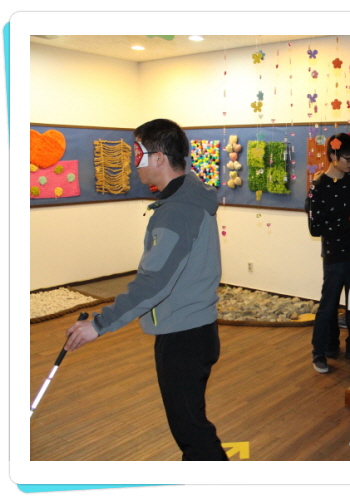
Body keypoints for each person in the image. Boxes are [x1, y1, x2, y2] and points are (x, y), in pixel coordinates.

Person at [64, 118, 229, 461]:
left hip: (184, 336)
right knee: (190, 427)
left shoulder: (177, 212)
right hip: (189, 329)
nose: (133, 162)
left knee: (193, 433)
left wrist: (99, 324)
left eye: (137, 154)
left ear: (159, 158)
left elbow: (154, 282)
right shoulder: (188, 195)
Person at [305, 133, 350, 372]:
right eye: (347, 158)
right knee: (328, 306)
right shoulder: (319, 186)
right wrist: (347, 222)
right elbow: (315, 228)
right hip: (334, 256)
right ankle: (319, 352)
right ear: (333, 156)